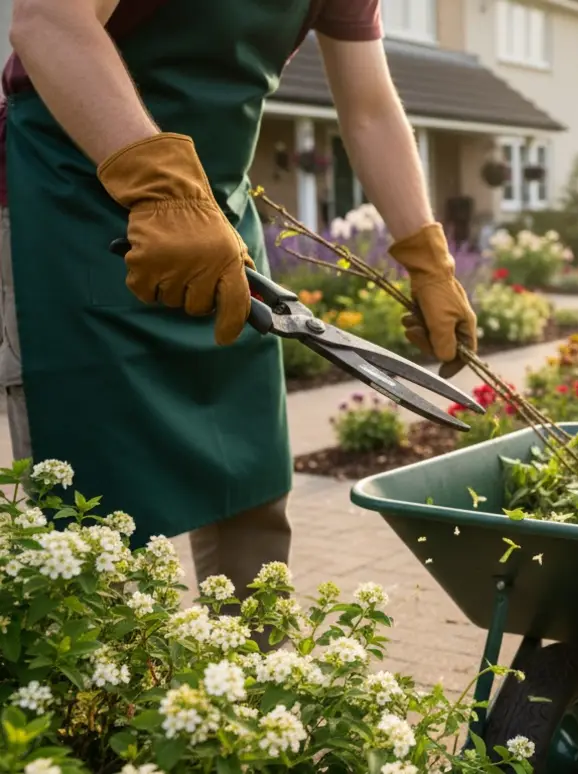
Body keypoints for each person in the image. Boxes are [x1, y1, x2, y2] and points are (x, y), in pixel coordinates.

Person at [0, 0, 478, 602]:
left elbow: (370, 111)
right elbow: (49, 21)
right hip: (70, 209)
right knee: (93, 512)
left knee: (252, 494)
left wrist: (427, 256)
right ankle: (105, 665)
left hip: (223, 231)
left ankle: (252, 664)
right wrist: (163, 188)